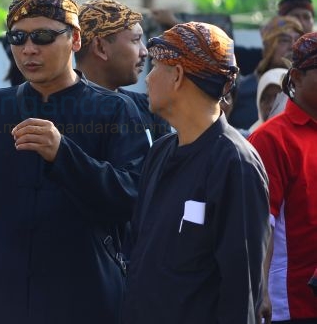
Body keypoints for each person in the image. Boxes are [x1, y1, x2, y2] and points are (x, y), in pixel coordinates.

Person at [0, 0, 150, 324]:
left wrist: (63, 154)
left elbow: (133, 198)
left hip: (85, 299)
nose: (28, 50)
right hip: (4, 299)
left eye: (42, 37)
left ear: (76, 40)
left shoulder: (114, 110)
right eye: (17, 38)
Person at [122, 22, 271, 324]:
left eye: (155, 66)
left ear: (177, 75)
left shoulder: (235, 163)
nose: (147, 78)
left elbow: (241, 287)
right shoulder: (161, 151)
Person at [248, 32, 317, 324]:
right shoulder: (271, 138)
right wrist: (260, 293)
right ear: (297, 77)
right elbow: (261, 224)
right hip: (290, 305)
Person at [76, 0, 171, 141]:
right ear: (101, 48)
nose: (145, 52)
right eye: (135, 40)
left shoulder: (149, 107)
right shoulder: (56, 110)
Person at [229, 15, 302, 130]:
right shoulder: (240, 90)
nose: (292, 47)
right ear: (268, 46)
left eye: (298, 41)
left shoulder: (305, 92)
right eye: (284, 40)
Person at [247, 67, 287, 134]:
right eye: (265, 98)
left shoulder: (304, 135)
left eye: (277, 97)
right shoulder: (250, 139)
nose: (271, 105)